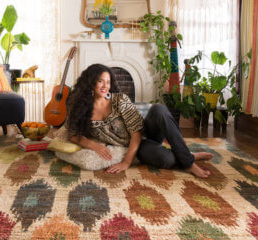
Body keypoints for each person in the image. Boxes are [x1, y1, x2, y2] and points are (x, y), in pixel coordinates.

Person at [66, 64, 212, 178]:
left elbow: (136, 133)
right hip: (139, 146)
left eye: (108, 82)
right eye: (100, 81)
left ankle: (188, 163)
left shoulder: (119, 100)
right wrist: (92, 144)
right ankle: (189, 155)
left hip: (144, 132)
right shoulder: (80, 107)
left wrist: (126, 162)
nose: (105, 86)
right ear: (91, 82)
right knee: (166, 160)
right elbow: (71, 134)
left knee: (159, 109)